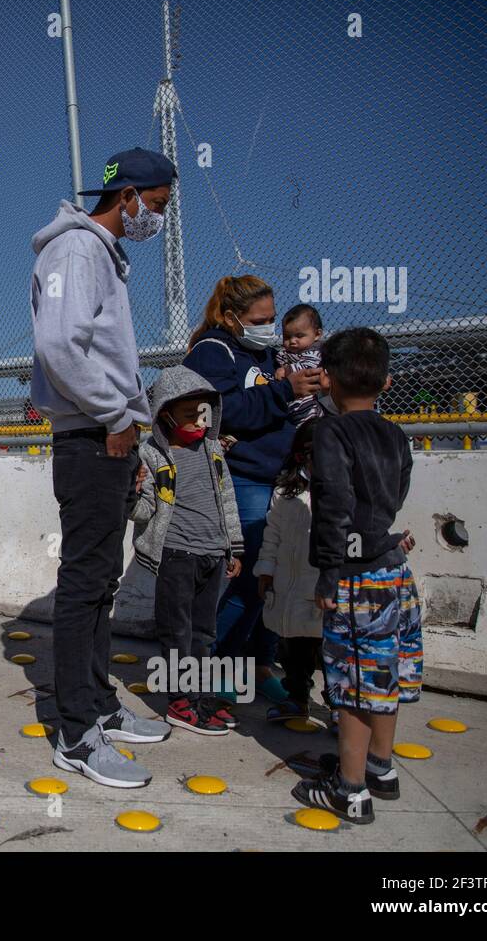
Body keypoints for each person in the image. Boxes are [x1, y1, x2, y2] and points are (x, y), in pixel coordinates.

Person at [31, 147, 175, 789]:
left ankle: (99, 705)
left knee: (101, 582)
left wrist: (128, 428)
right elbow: (59, 344)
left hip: (109, 434)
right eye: (159, 205)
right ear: (130, 196)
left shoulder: (101, 255)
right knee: (84, 582)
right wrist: (116, 416)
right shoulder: (77, 250)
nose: (158, 219)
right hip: (91, 436)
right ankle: (74, 732)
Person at [292, 328, 420, 824]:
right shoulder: (396, 434)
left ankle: (349, 789)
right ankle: (379, 768)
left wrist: (328, 576)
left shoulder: (331, 433)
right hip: (392, 573)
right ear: (386, 382)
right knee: (385, 675)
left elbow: (333, 506)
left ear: (328, 379)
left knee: (350, 683)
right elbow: (396, 493)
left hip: (355, 578)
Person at [183, 276, 324, 709]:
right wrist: (284, 390)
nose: (268, 328)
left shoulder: (266, 353)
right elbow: (217, 411)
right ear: (231, 318)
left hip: (284, 477)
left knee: (276, 579)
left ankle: (259, 664)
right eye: (259, 320)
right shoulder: (213, 350)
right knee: (246, 580)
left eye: (271, 319)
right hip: (244, 478)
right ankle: (214, 667)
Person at [130, 366, 243, 736]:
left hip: (214, 554)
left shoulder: (213, 451)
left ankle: (200, 695)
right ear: (165, 414)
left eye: (203, 413)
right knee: (177, 631)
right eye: (188, 414)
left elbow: (226, 500)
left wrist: (233, 547)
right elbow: (145, 510)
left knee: (204, 633)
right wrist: (130, 493)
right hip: (177, 556)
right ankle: (179, 701)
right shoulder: (151, 455)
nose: (198, 421)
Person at [254, 418, 324, 722]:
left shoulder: (342, 493)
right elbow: (273, 535)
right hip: (289, 588)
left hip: (321, 591)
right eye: (309, 454)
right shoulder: (286, 491)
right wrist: (266, 571)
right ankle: (297, 697)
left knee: (329, 655)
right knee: (293, 651)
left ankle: (339, 708)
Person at [275, 304, 325, 424]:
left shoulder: (316, 352)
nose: (292, 341)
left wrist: (286, 370)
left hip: (311, 407)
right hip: (292, 407)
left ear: (317, 334)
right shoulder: (286, 353)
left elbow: (309, 367)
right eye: (287, 337)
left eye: (299, 336)